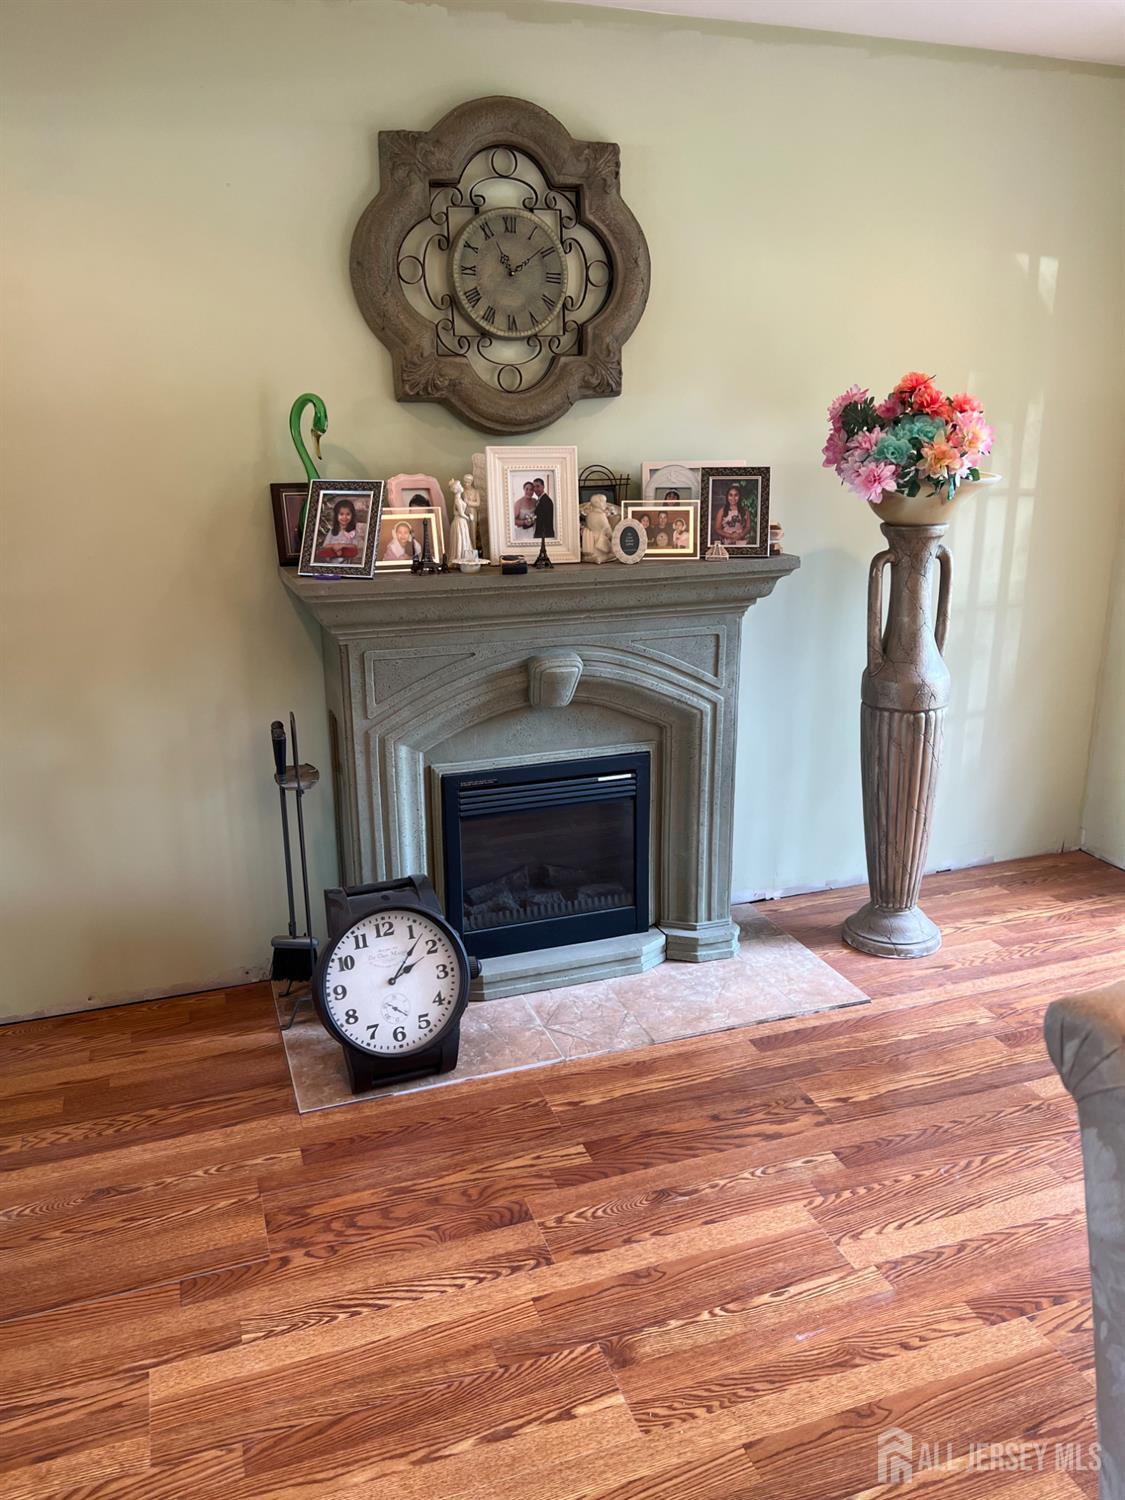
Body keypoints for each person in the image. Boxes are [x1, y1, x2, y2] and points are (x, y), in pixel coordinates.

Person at [315, 497, 363, 561]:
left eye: (348, 514)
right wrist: (335, 547)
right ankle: (335, 555)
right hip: (332, 553)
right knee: (320, 552)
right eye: (341, 514)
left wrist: (342, 546)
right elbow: (325, 545)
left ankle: (341, 554)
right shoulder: (332, 531)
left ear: (352, 515)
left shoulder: (353, 532)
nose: (344, 517)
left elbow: (354, 546)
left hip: (346, 555)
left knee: (354, 551)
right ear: (336, 516)